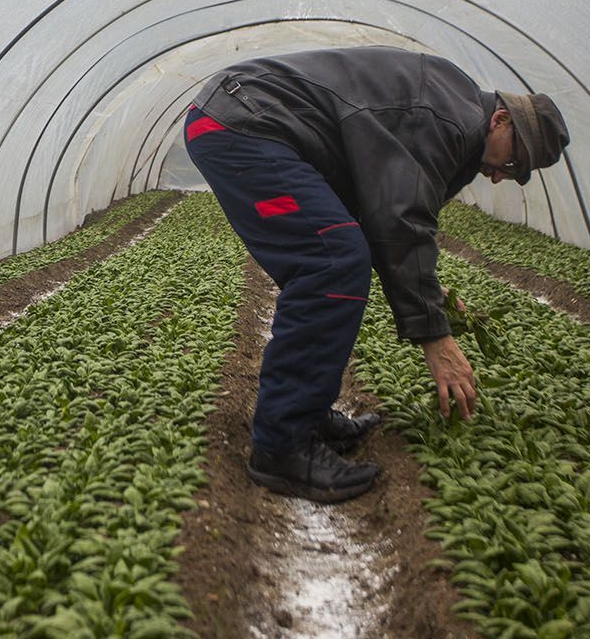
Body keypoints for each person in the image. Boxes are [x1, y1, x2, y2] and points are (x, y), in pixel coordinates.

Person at [183, 45, 569, 503]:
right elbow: (399, 220)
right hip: (244, 123)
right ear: (501, 120)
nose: (503, 176)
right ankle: (281, 446)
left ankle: (305, 412)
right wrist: (436, 338)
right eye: (513, 161)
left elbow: (394, 221)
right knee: (332, 261)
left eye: (516, 173)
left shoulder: (459, 120)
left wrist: (430, 292)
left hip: (250, 121)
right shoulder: (450, 120)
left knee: (339, 254)